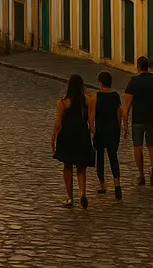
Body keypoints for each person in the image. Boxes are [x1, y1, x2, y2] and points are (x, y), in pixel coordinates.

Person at [51, 74, 94, 209]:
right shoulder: (87, 101)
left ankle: (70, 198)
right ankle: (83, 193)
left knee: (67, 166)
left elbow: (58, 123)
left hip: (67, 136)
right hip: (82, 135)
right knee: (81, 168)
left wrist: (53, 138)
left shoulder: (63, 103)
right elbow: (91, 121)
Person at [123, 56, 153, 186]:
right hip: (152, 117)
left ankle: (141, 175)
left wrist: (125, 123)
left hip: (138, 119)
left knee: (138, 147)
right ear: (148, 66)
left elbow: (127, 104)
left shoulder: (133, 82)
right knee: (152, 145)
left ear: (138, 67)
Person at [89, 71, 122, 200]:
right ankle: (117, 184)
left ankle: (102, 184)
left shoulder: (96, 97)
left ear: (100, 82)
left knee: (100, 158)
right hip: (113, 129)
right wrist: (120, 128)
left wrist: (93, 131)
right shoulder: (115, 96)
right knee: (113, 157)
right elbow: (119, 113)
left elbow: (91, 117)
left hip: (101, 130)